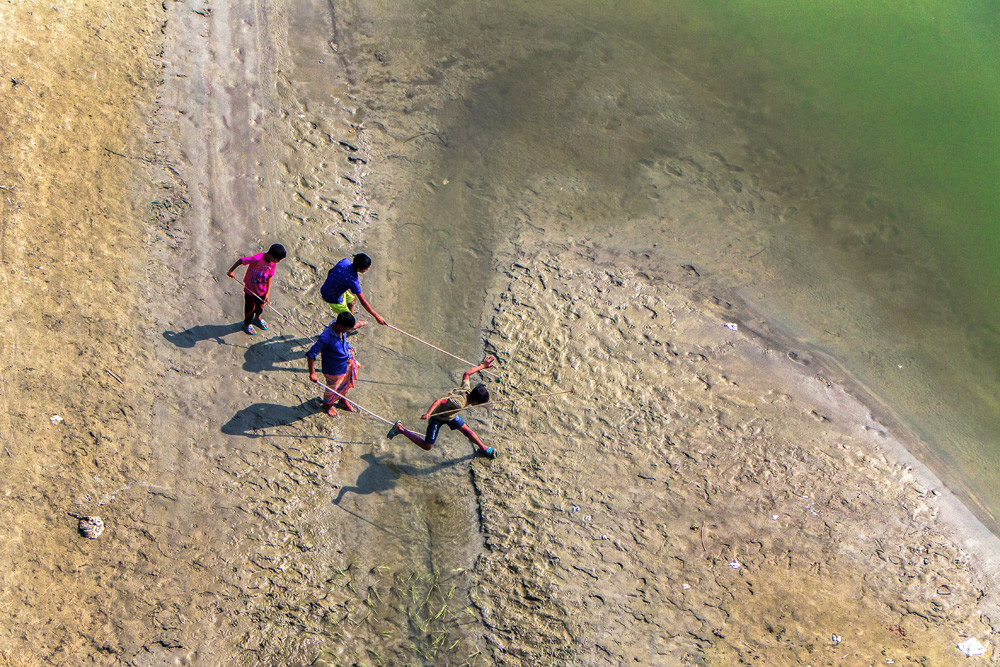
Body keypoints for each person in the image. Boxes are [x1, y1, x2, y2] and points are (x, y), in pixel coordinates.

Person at [387, 356, 497, 458]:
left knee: (467, 431)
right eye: (480, 404)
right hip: (438, 418)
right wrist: (429, 414)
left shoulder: (467, 389)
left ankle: (483, 448)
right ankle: (400, 429)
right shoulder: (458, 403)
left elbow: (466, 374)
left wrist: (482, 366)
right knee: (427, 446)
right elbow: (439, 401)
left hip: (450, 416)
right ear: (476, 401)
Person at [307, 312, 360, 417]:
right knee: (331, 389)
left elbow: (344, 342)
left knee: (345, 383)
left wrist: (349, 348)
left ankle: (342, 400)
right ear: (340, 325)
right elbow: (311, 354)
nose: (347, 332)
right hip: (333, 369)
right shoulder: (326, 338)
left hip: (344, 364)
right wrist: (312, 373)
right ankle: (328, 405)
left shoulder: (340, 330)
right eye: (346, 329)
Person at [226, 243, 287, 335]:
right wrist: (231, 271)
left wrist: (267, 293)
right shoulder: (257, 258)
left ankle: (257, 319)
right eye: (277, 259)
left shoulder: (272, 263)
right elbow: (241, 260)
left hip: (262, 290)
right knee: (250, 308)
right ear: (271, 255)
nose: (278, 262)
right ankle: (247, 324)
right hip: (250, 290)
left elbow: (270, 276)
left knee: (260, 306)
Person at [320, 253, 387, 327]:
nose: (367, 269)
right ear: (359, 269)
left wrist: (333, 283)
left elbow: (330, 271)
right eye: (366, 268)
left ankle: (350, 315)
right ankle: (352, 323)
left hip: (334, 288)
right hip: (332, 297)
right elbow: (363, 302)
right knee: (350, 323)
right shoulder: (353, 280)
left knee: (352, 300)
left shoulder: (345, 261)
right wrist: (377, 316)